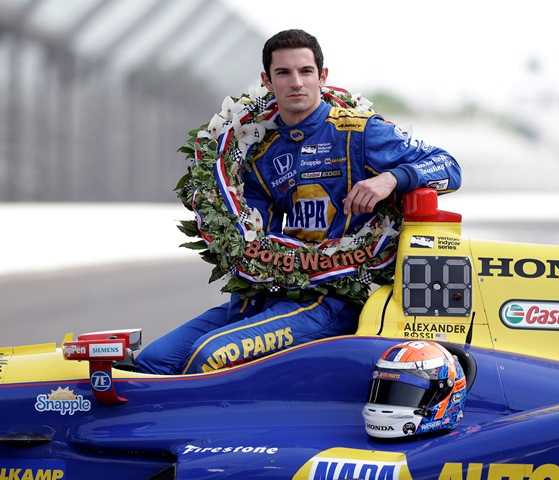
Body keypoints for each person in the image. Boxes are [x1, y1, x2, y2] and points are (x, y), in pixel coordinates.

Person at [136, 29, 461, 375]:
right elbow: (251, 231)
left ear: (322, 77)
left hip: (333, 298)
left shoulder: (358, 131)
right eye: (283, 73)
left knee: (210, 356)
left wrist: (390, 179)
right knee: (153, 362)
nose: (296, 82)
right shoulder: (255, 147)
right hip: (271, 292)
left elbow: (449, 166)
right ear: (266, 80)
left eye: (306, 72)